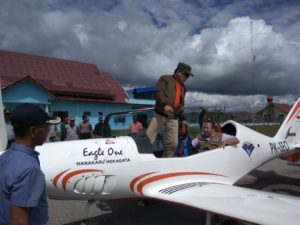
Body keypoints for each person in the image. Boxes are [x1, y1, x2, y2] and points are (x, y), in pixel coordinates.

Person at [0, 103, 60, 225]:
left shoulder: (5, 157)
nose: (48, 130)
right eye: (46, 127)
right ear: (33, 131)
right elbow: (19, 222)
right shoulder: (29, 169)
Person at [146, 62, 193, 157]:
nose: (187, 78)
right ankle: (142, 160)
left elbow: (181, 105)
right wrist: (165, 105)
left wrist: (183, 118)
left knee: (173, 143)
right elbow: (159, 93)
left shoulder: (183, 88)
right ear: (179, 71)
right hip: (160, 114)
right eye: (186, 75)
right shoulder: (165, 78)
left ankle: (165, 161)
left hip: (173, 118)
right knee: (149, 138)